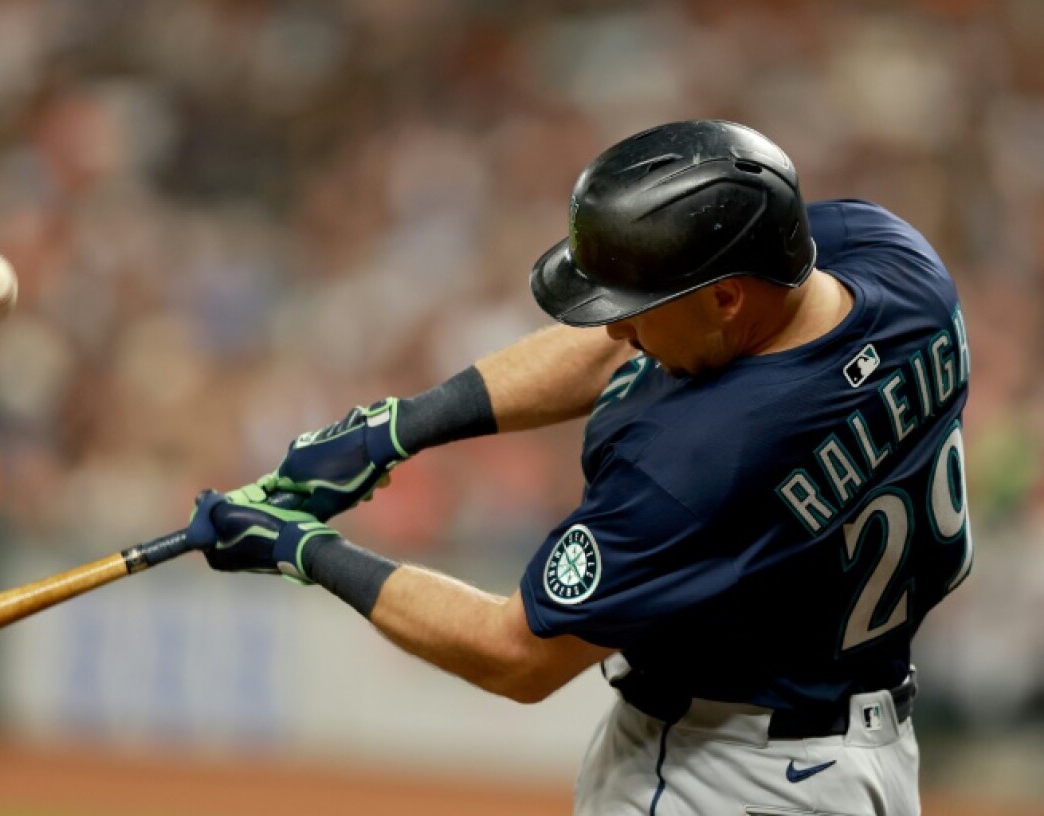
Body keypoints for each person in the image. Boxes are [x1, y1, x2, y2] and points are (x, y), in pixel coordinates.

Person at [183, 119, 972, 815]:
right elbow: (644, 326)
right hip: (870, 756)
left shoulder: (698, 465)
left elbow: (516, 654)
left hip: (727, 777)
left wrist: (303, 549)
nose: (619, 334)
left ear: (728, 297)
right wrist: (405, 425)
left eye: (635, 310)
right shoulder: (899, 266)